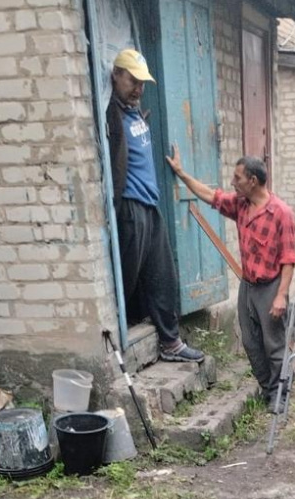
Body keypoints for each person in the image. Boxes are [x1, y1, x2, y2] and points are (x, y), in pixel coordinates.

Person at [165, 146, 295, 414]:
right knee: (249, 342)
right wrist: (181, 173)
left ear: (253, 181)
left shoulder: (281, 213)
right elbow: (209, 195)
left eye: (237, 178)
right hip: (248, 287)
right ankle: (267, 387)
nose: (232, 182)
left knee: (274, 345)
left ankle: (280, 394)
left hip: (271, 287)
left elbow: (289, 259)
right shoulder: (240, 205)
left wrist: (281, 295)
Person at [106, 48, 204, 363]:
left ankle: (170, 342)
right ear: (116, 76)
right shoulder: (113, 114)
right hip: (131, 208)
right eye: (132, 80)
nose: (138, 88)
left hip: (151, 205)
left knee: (163, 274)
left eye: (142, 83)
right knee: (129, 276)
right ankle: (124, 338)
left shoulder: (135, 111)